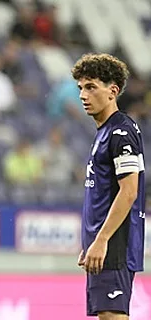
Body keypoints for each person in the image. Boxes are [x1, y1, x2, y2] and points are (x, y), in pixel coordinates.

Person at [72, 53, 145, 320]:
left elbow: (129, 191)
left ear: (112, 91)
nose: (83, 95)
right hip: (104, 242)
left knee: (112, 315)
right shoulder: (104, 132)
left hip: (115, 244)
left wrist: (102, 240)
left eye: (91, 87)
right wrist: (92, 240)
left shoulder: (121, 132)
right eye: (80, 87)